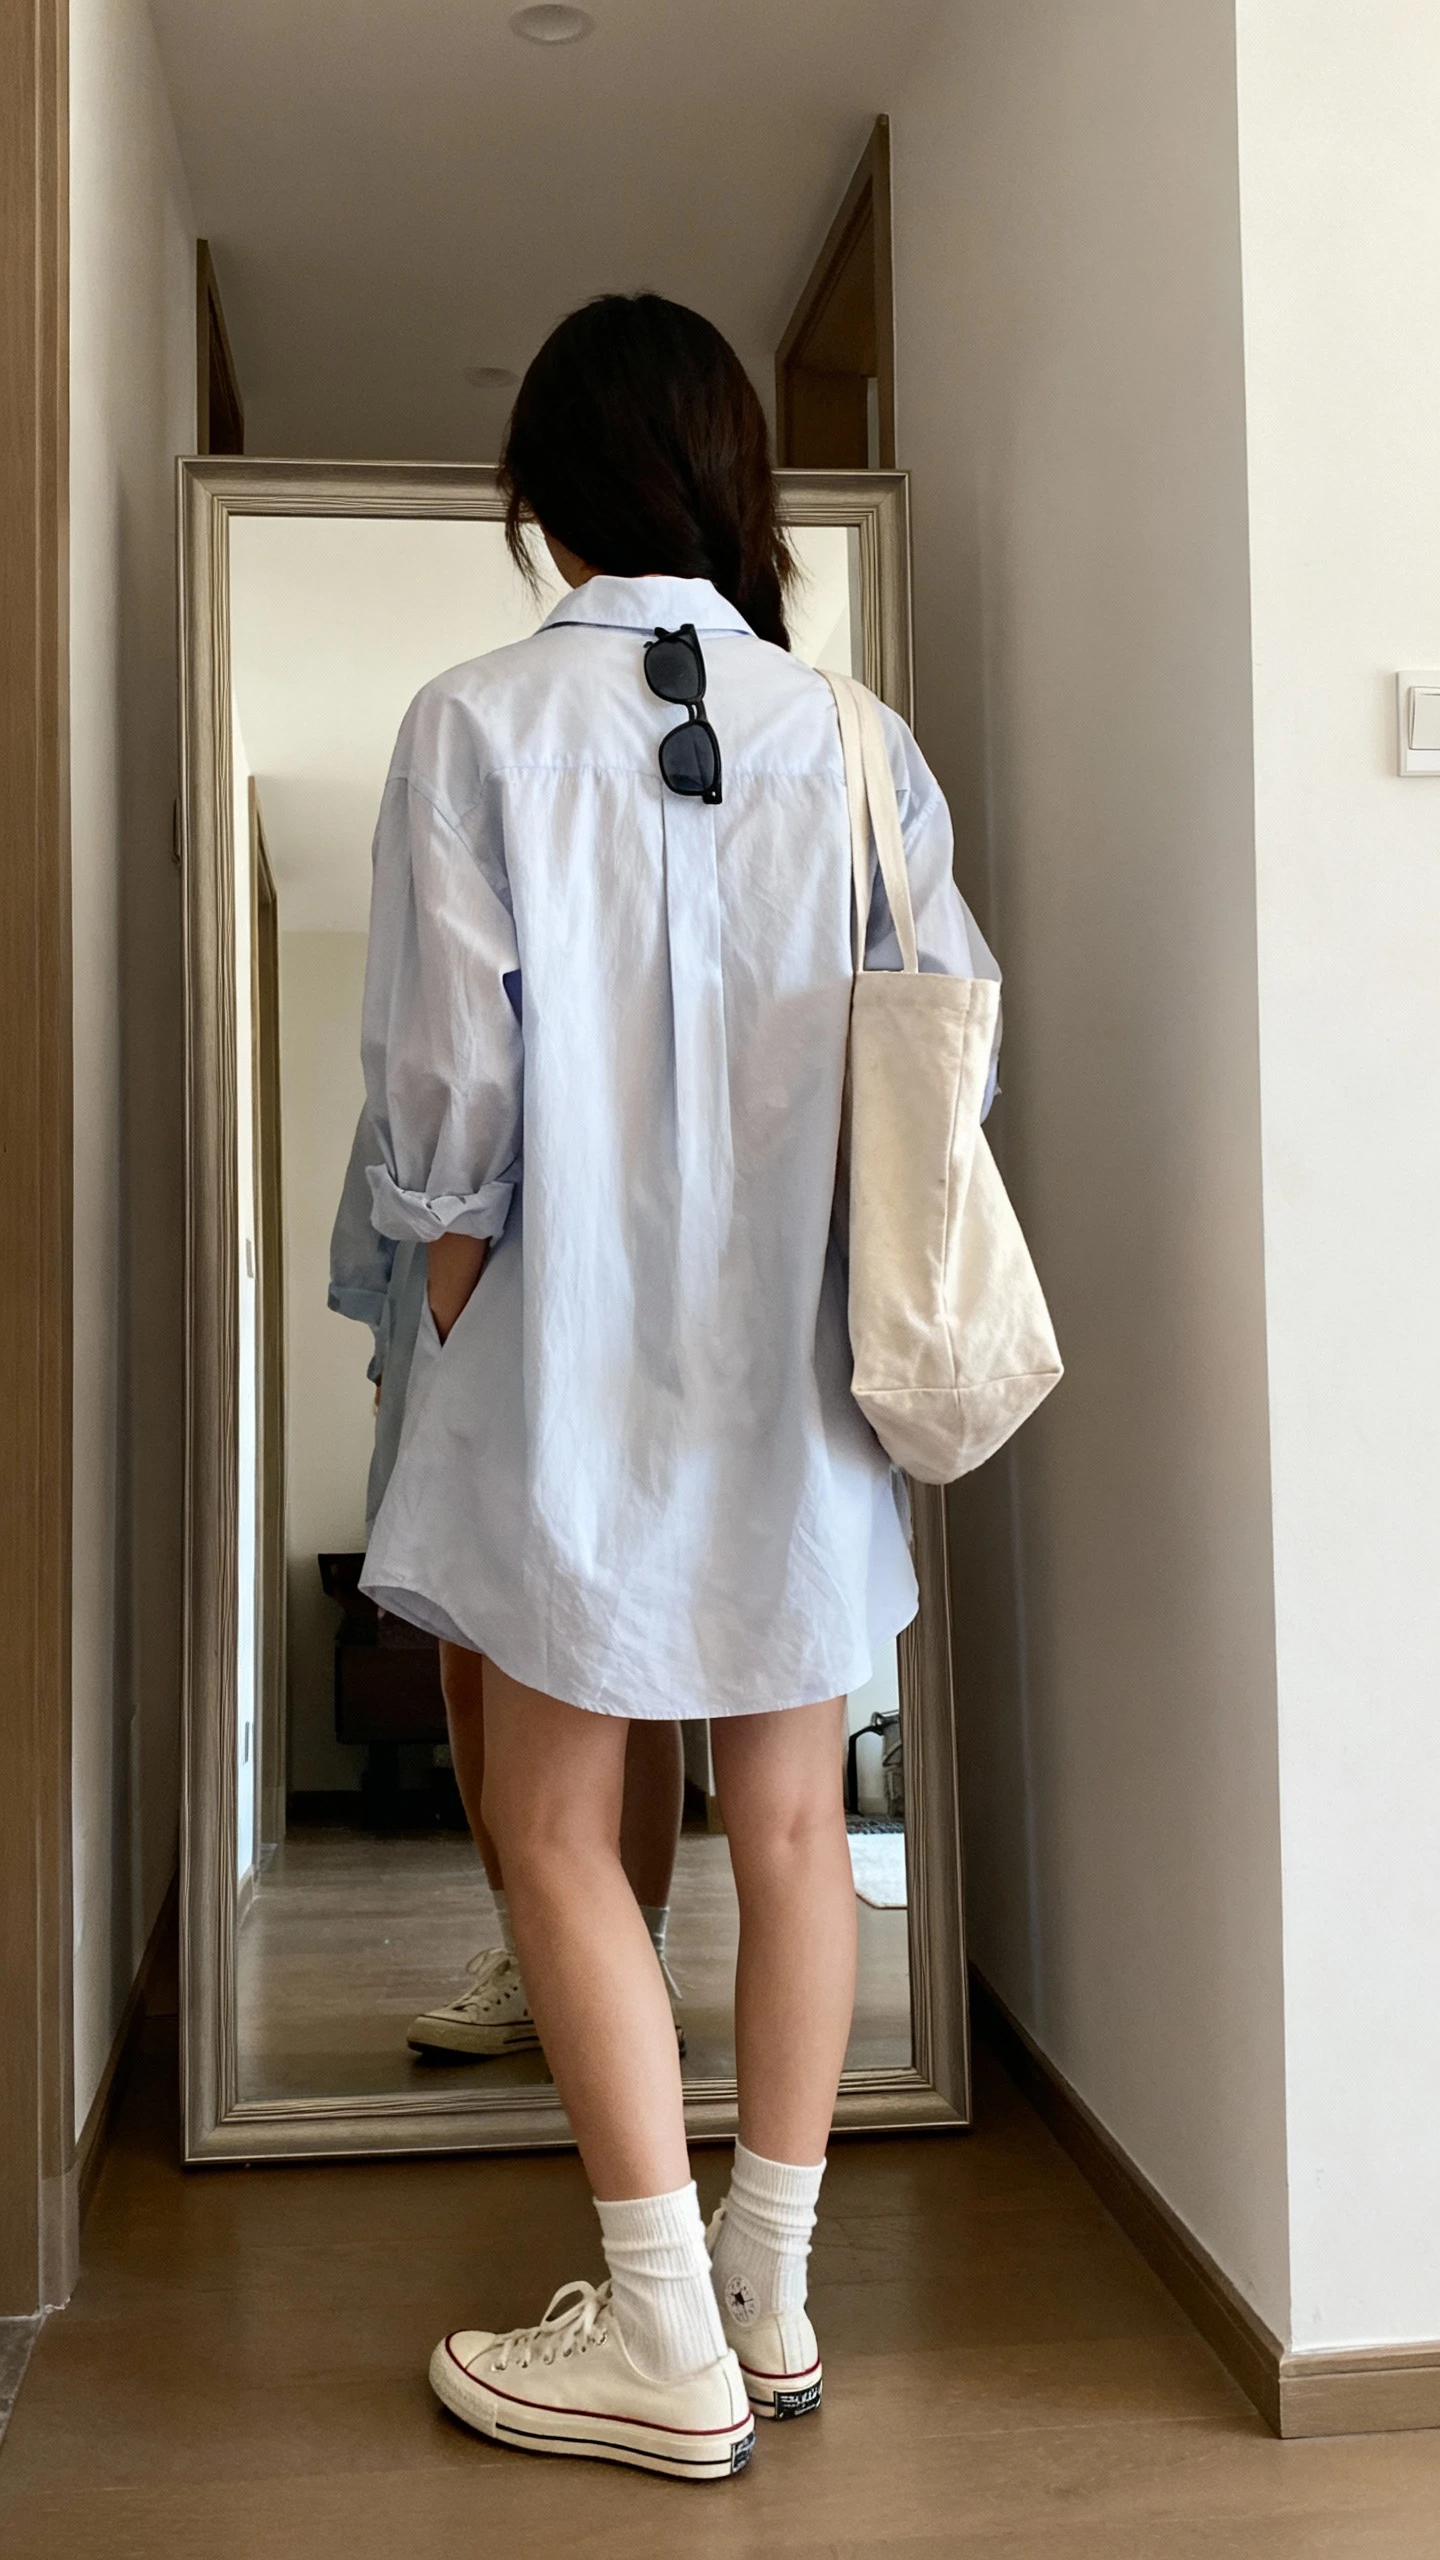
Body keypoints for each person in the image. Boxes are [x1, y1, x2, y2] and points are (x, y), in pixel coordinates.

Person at [357, 292, 999, 2484]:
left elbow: (445, 1101)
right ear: (736, 483)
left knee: (553, 1824)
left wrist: (465, 1300)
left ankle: (652, 2330)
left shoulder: (473, 725)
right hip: (805, 1370)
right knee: (799, 1822)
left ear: (536, 492)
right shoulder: (857, 735)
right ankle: (769, 2293)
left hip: (573, 1359)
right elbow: (942, 1024)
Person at [329, 1109, 687, 2060]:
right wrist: (411, 1357)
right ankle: (535, 1958)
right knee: (467, 1667)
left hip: (591, 1322)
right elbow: (404, 1164)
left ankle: (636, 1958)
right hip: (448, 1324)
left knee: (628, 1672)